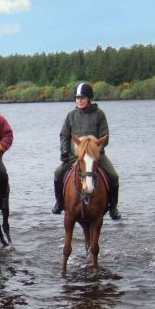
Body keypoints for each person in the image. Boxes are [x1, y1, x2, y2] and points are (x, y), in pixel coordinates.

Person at [52, 82, 121, 220]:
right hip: (75, 156)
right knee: (57, 173)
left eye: (82, 98)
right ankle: (59, 203)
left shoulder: (99, 114)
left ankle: (113, 207)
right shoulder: (71, 115)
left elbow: (104, 137)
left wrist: (96, 151)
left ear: (89, 98)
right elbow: (64, 136)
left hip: (95, 156)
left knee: (114, 176)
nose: (79, 100)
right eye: (77, 98)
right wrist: (64, 152)